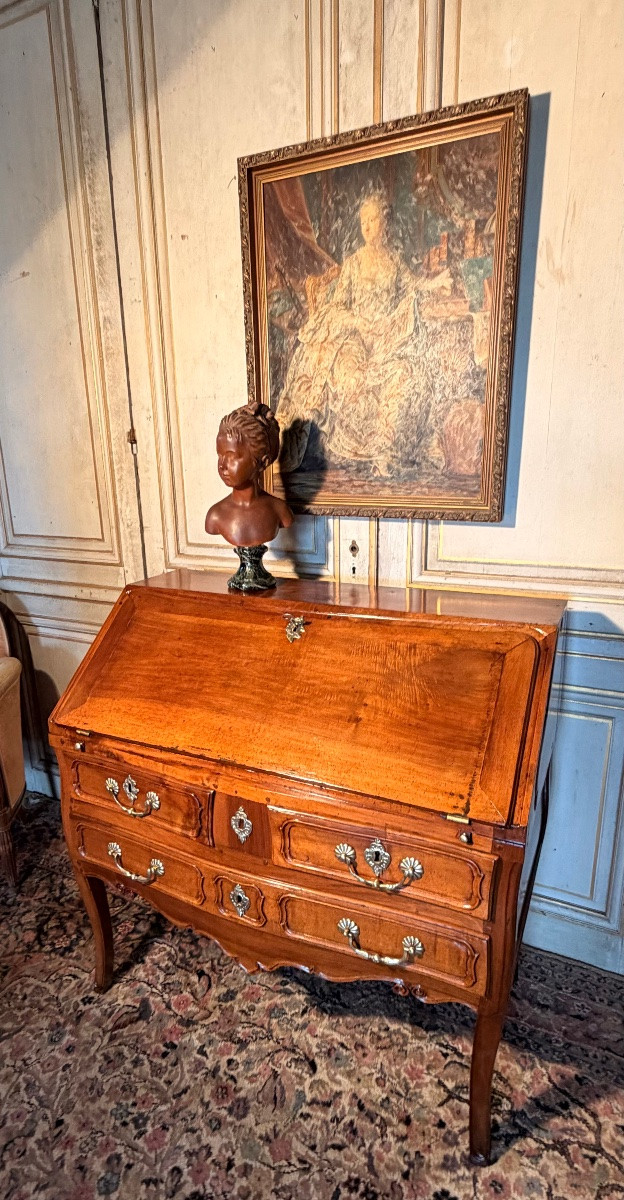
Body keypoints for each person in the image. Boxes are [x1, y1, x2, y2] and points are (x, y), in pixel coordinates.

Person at [278, 192, 428, 476]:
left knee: (406, 374)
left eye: (374, 219)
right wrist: (359, 322)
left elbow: (414, 286)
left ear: (386, 223)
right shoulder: (353, 263)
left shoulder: (395, 262)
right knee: (350, 375)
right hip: (355, 340)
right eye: (364, 221)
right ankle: (334, 447)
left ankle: (383, 452)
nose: (368, 226)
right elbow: (336, 307)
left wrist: (436, 283)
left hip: (384, 341)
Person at [205, 401, 293, 548]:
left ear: (262, 462)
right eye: (219, 455)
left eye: (231, 456)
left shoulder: (279, 510)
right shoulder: (215, 515)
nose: (222, 465)